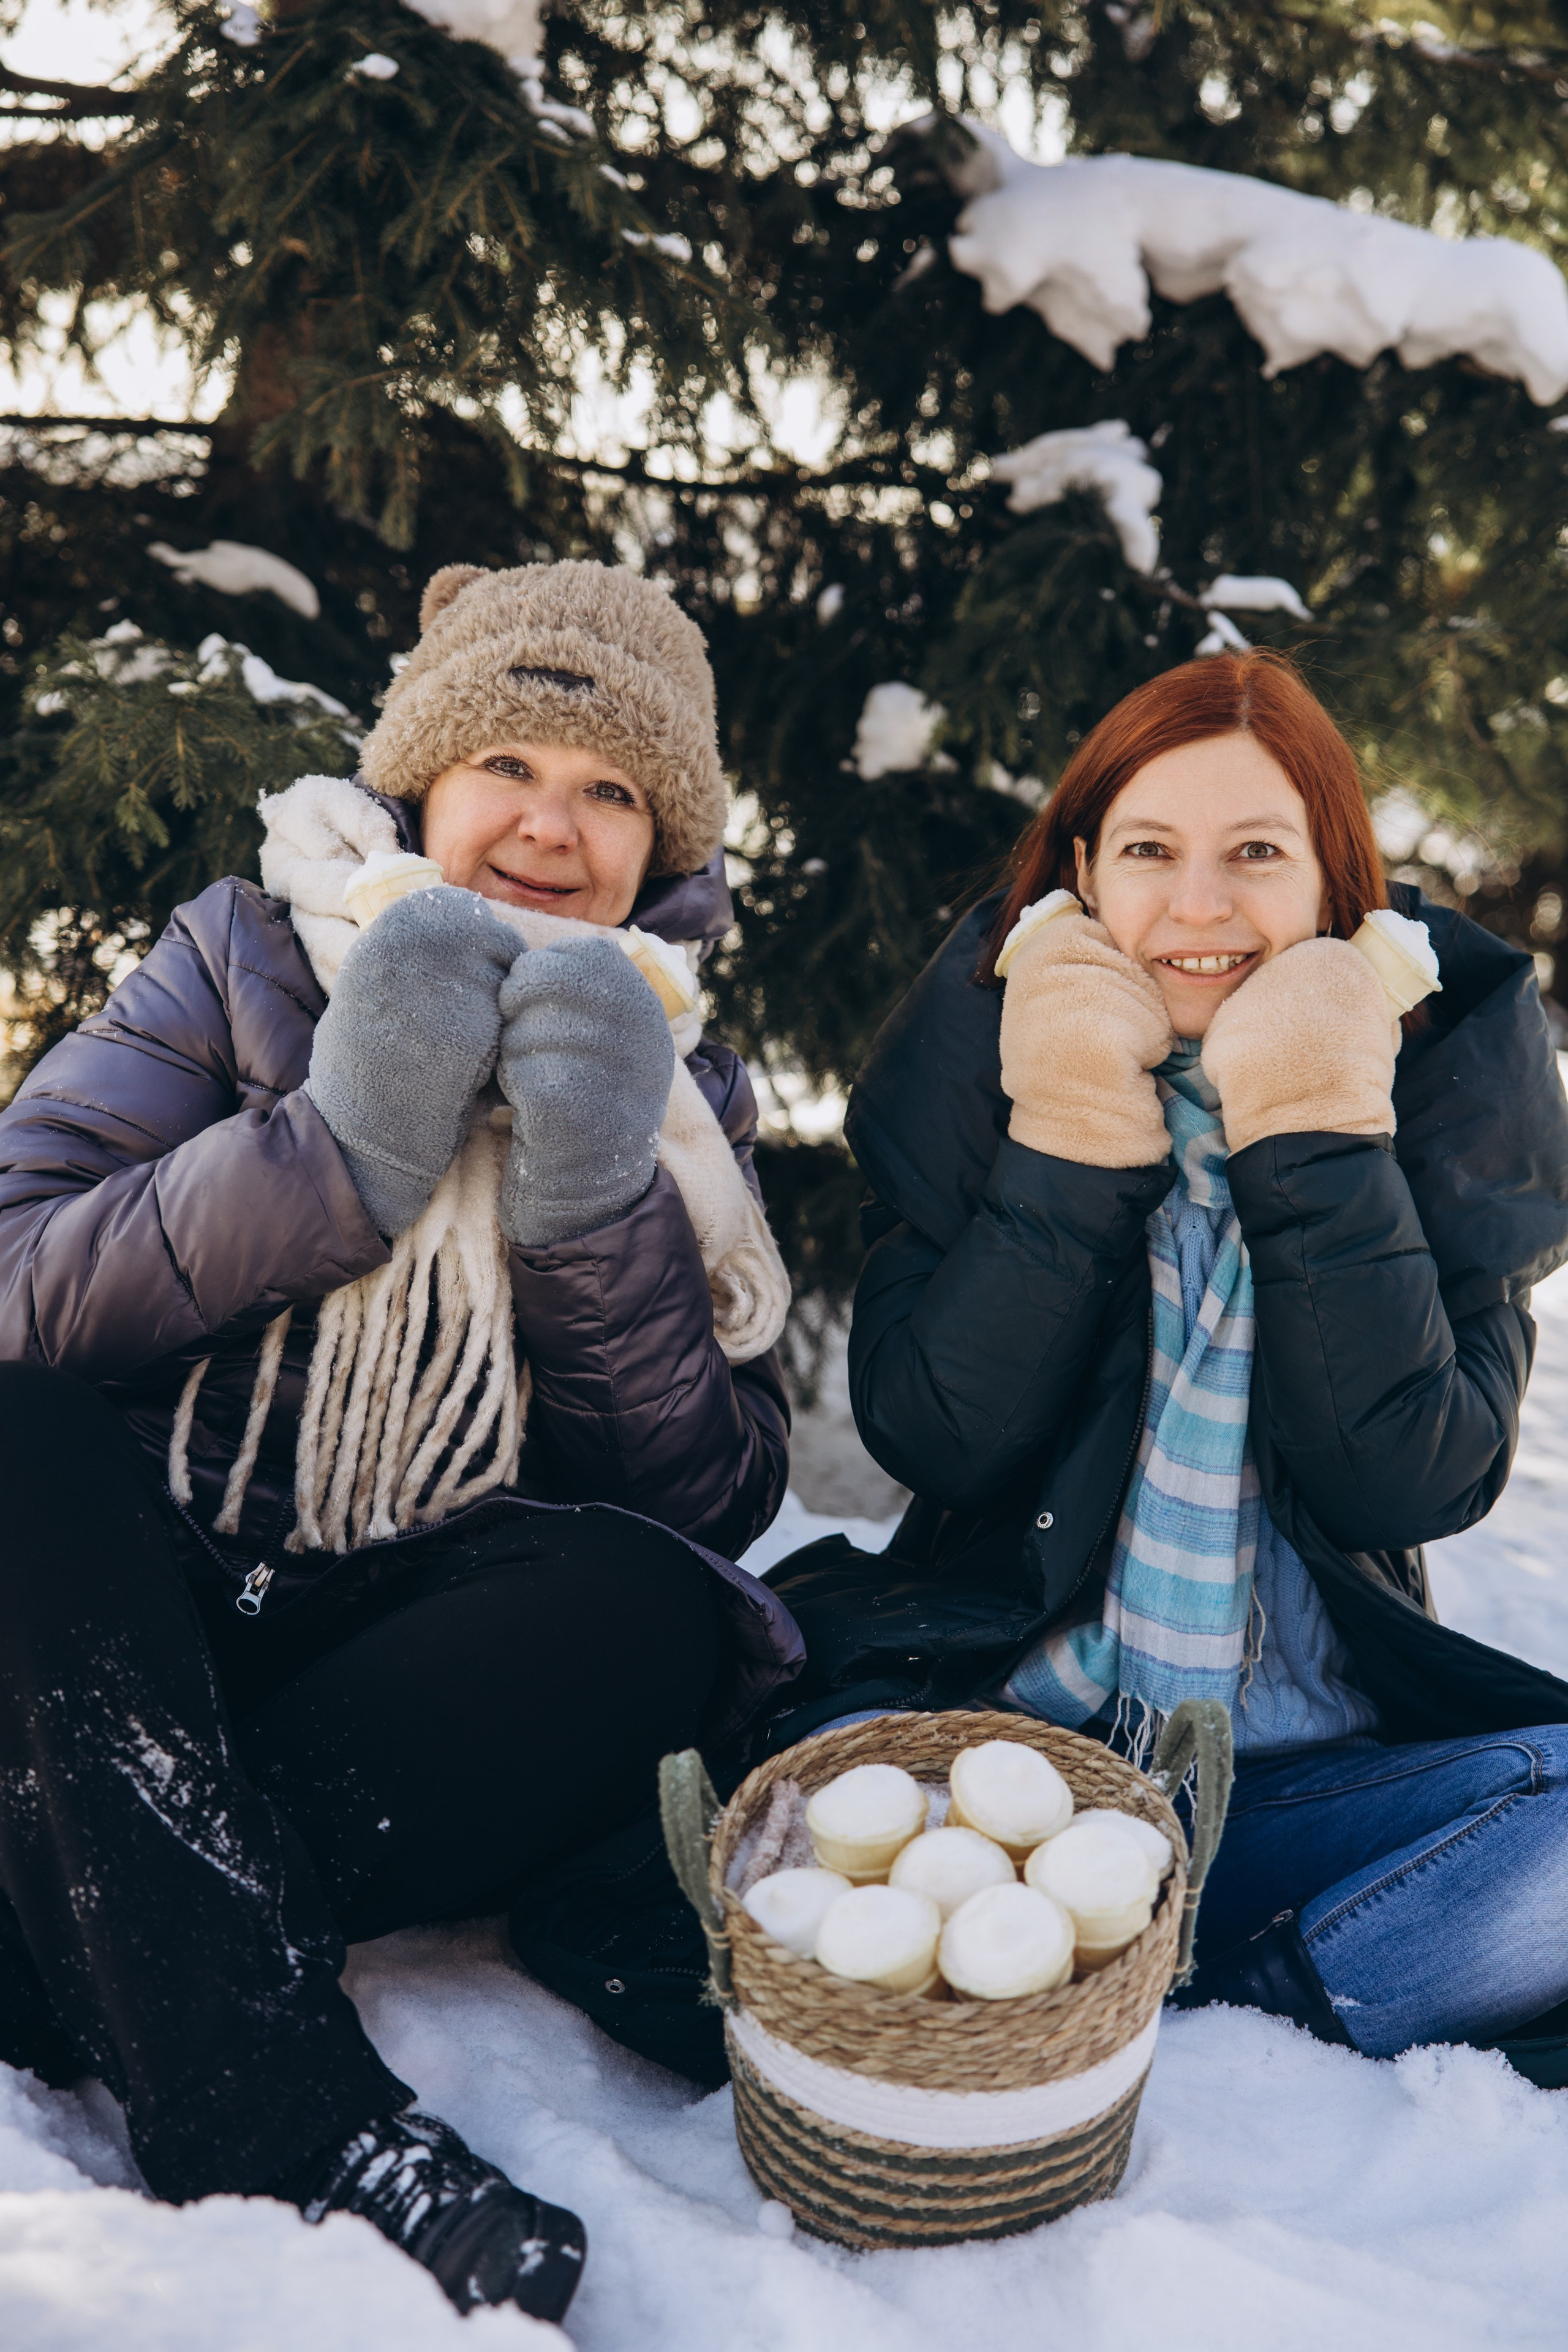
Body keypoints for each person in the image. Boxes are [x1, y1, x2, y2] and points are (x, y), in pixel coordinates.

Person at [0, 559, 801, 2321]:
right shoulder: (235, 958)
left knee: (655, 1611)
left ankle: (66, 1924)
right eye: (509, 766)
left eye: (612, 794)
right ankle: (274, 2106)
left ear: (661, 851)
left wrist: (592, 1210)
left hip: (386, 1646)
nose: (548, 825)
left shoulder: (686, 1092)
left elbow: (713, 1495)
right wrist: (342, 1152)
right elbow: (19, 1284)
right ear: (420, 780)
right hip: (137, 1587)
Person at [774, 649, 1568, 2082]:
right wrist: (1072, 1130)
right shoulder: (983, 1085)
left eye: (1255, 854)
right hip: (1011, 1765)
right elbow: (939, 1438)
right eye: (1148, 851)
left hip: (1293, 1778)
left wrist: (1316, 1127)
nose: (1197, 906)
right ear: (1083, 871)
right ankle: (1141, 1974)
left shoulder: (1443, 1103)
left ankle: (1229, 2007)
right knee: (786, 1820)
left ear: (1336, 887)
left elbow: (1406, 1481)